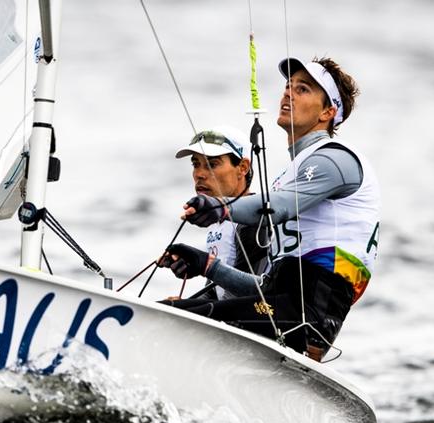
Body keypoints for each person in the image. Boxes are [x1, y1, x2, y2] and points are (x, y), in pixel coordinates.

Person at [159, 56, 381, 361]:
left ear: (328, 112)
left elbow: (276, 206)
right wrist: (207, 266)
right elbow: (262, 287)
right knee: (174, 311)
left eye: (302, 89)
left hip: (311, 312)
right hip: (283, 302)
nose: (287, 94)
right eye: (287, 86)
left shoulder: (336, 159)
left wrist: (221, 207)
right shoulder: (292, 172)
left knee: (177, 318)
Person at [173, 126, 268, 300]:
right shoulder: (219, 222)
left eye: (212, 164)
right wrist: (183, 306)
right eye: (196, 164)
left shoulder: (254, 221)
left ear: (243, 167)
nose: (199, 174)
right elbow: (215, 292)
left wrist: (186, 309)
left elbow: (251, 298)